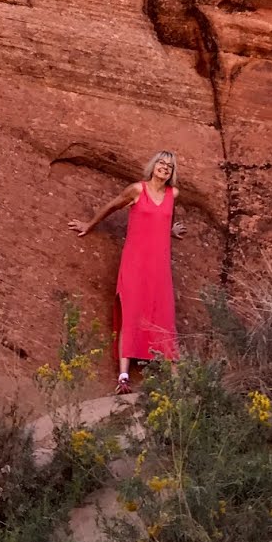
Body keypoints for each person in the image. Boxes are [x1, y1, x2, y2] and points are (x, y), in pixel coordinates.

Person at [68, 150, 184, 394]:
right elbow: (113, 205)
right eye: (161, 163)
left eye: (169, 166)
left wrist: (170, 229)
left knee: (164, 314)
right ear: (153, 167)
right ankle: (123, 377)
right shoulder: (137, 190)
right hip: (135, 261)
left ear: (172, 173)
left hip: (159, 265)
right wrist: (89, 225)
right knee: (131, 312)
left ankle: (176, 381)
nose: (164, 168)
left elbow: (166, 215)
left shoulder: (173, 194)